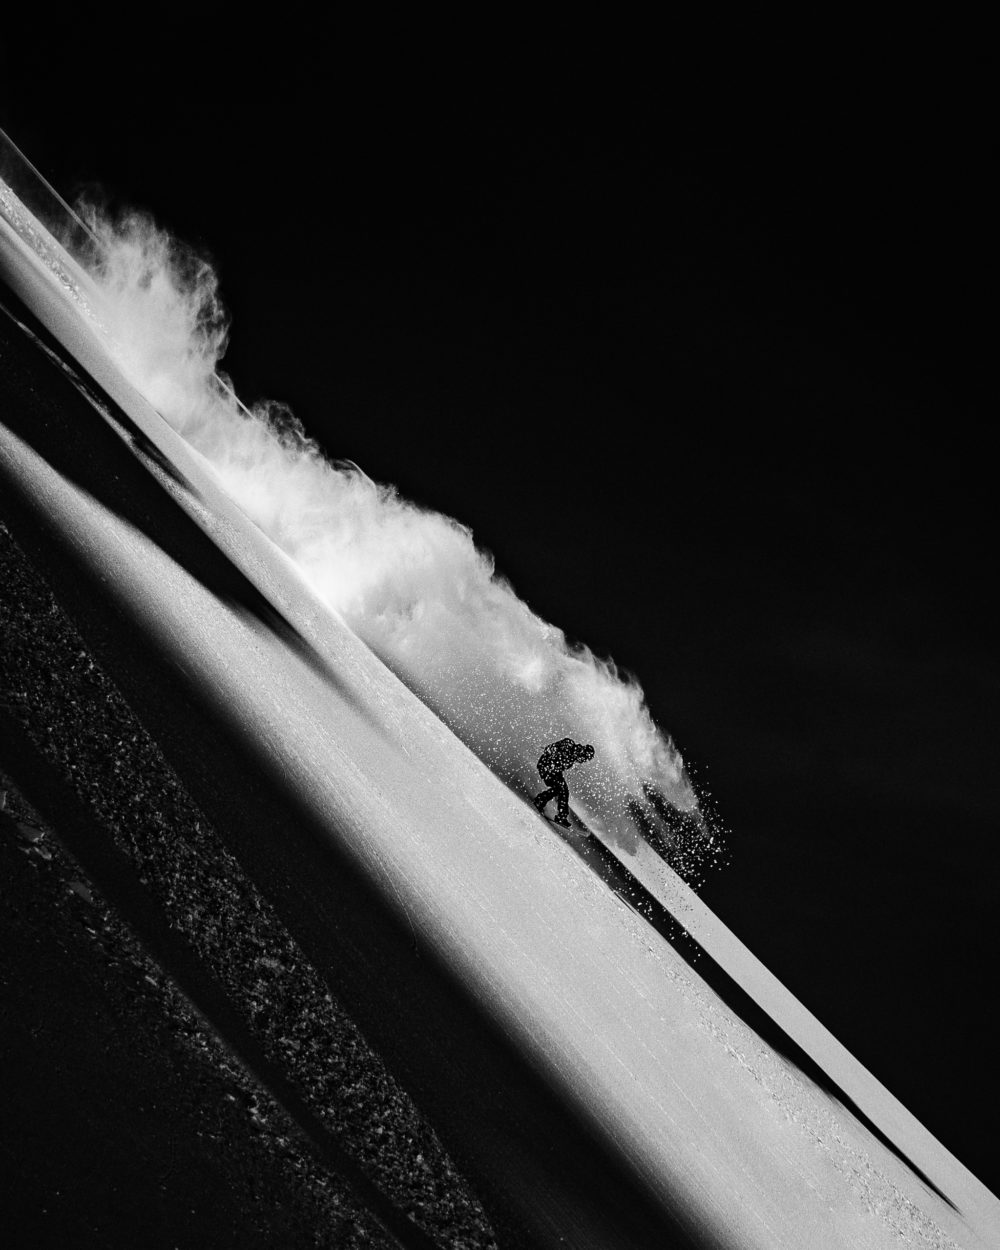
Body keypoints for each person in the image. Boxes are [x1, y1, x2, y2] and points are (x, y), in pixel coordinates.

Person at [532, 738, 595, 827]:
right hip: (546, 767)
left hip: (554, 771)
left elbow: (562, 764)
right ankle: (540, 801)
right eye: (585, 759)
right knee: (559, 789)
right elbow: (550, 749)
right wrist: (552, 755)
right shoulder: (568, 744)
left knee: (564, 790)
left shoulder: (574, 756)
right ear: (583, 753)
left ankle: (561, 816)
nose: (583, 761)